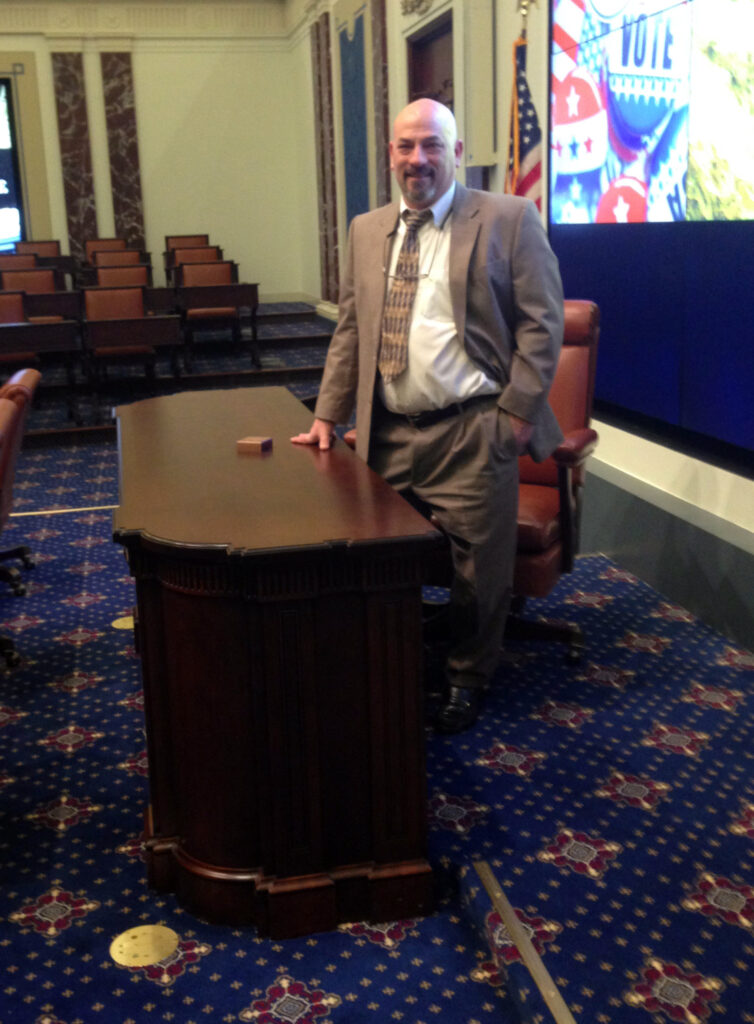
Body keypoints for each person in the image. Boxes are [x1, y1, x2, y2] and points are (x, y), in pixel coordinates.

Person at [292, 98, 564, 733]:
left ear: (457, 152)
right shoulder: (366, 227)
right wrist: (329, 414)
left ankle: (468, 675)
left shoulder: (510, 218)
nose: (418, 159)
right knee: (369, 554)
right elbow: (354, 329)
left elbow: (542, 326)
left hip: (473, 427)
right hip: (385, 431)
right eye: (406, 146)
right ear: (391, 153)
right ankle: (389, 657)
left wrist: (516, 417)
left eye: (432, 146)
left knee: (478, 567)